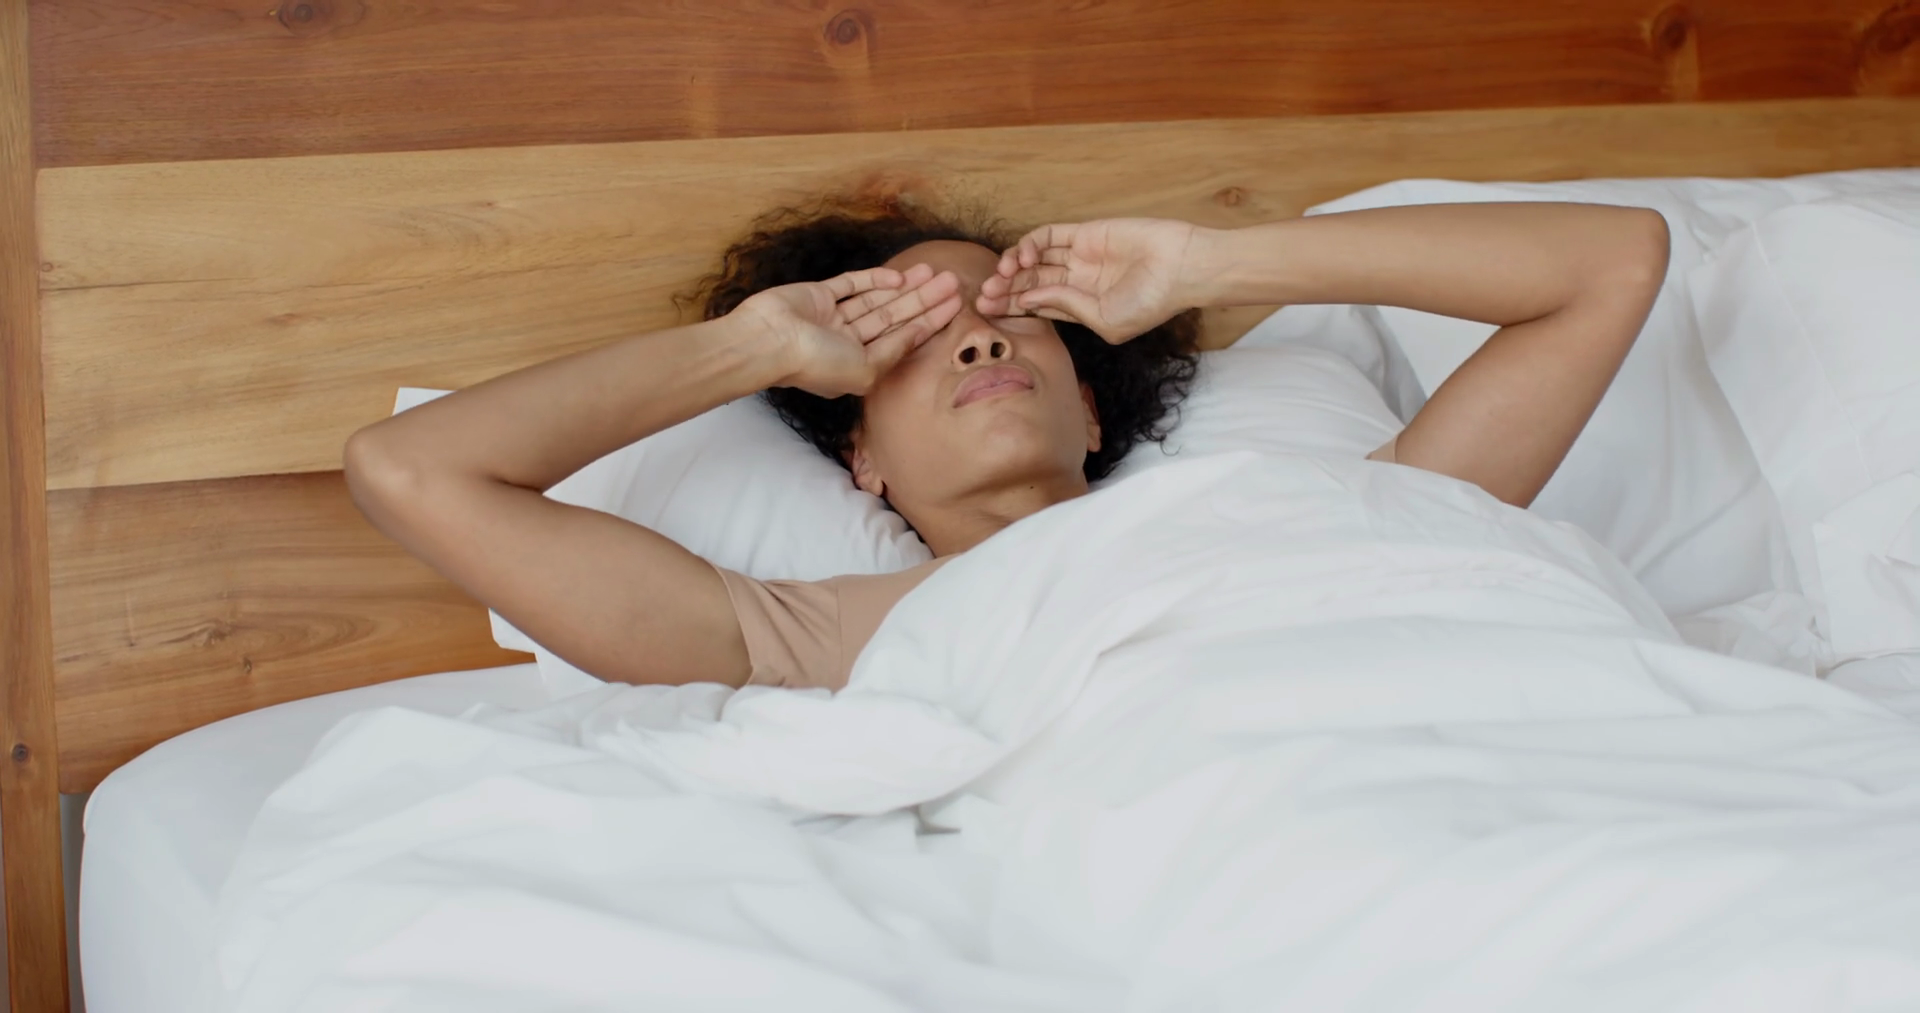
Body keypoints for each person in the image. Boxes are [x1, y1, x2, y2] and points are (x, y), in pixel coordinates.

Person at [344, 196, 1669, 690]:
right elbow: (410, 470)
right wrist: (755, 348)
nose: (979, 341)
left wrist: (1211, 262)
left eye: (1013, 318)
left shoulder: (1329, 514)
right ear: (860, 462)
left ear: (1091, 408)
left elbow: (1613, 260)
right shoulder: (826, 636)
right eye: (916, 335)